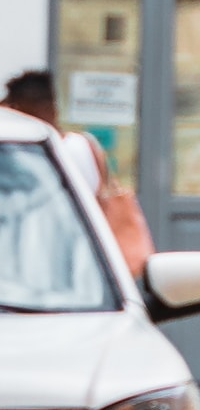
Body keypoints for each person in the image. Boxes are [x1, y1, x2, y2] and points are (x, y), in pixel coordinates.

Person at [2, 64, 141, 268]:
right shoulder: (85, 146)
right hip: (84, 264)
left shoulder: (25, 153)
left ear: (18, 108)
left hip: (33, 262)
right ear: (54, 107)